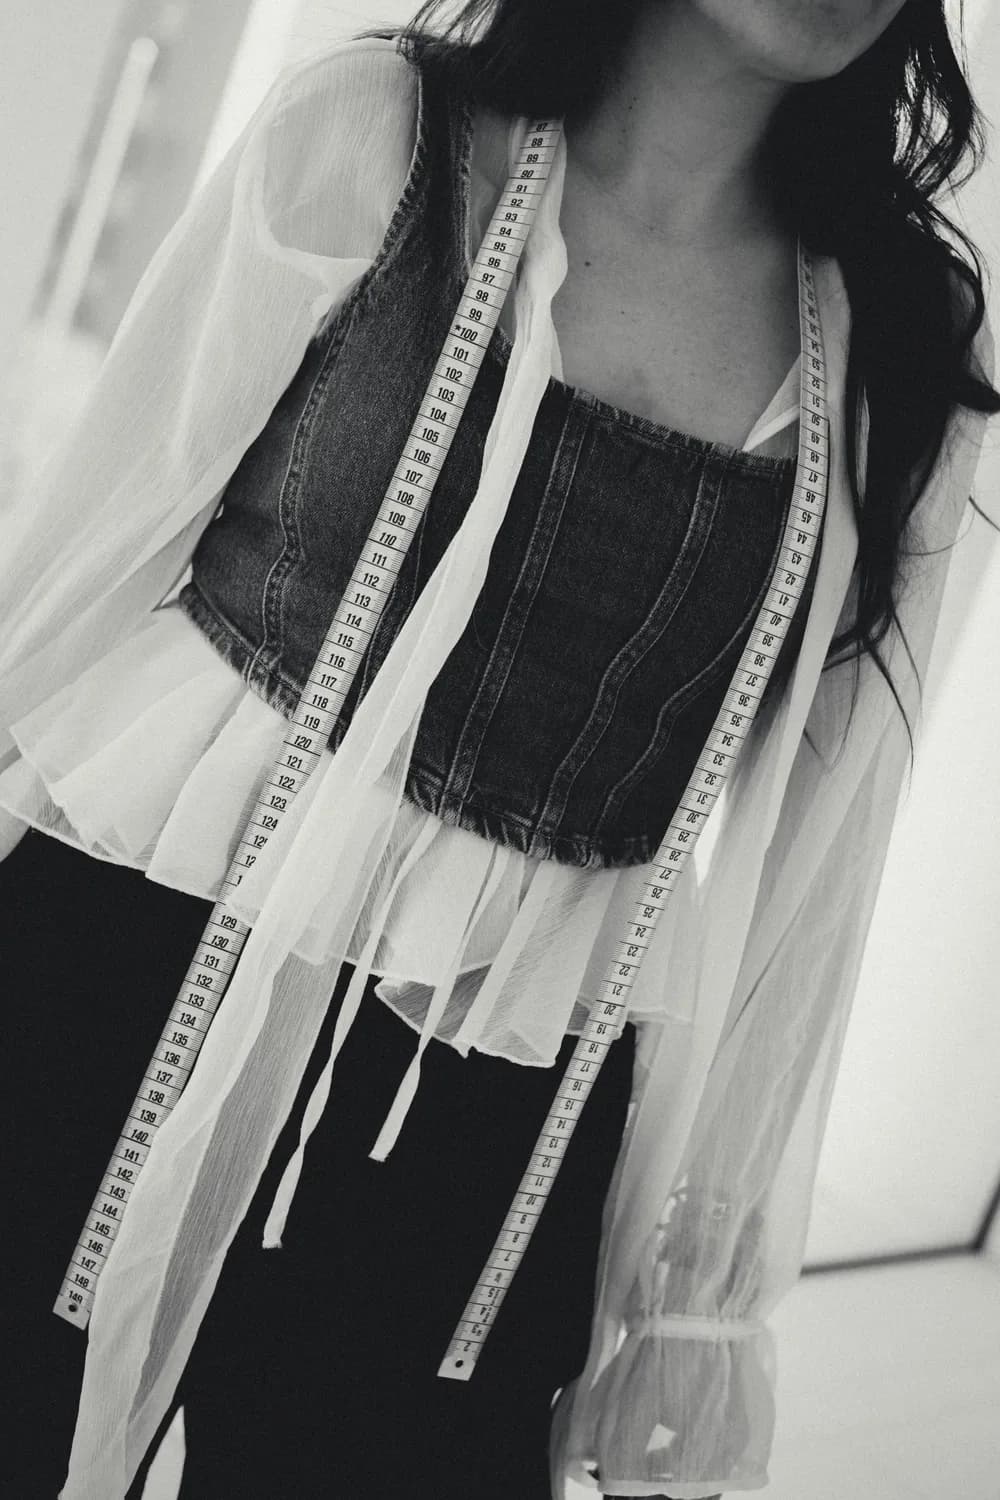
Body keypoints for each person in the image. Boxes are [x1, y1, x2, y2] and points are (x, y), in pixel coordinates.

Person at [1, 1, 996, 1496]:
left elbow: (827, 854)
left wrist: (697, 1284)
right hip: (128, 933)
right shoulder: (369, 132)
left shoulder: (903, 339)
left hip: (494, 1082)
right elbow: (94, 549)